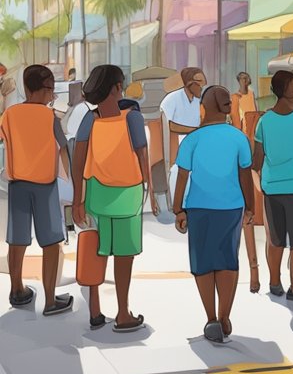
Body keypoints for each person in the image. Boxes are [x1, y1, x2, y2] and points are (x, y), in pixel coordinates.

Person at [72, 65, 158, 332]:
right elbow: (143, 157)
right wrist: (151, 193)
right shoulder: (131, 117)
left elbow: (78, 160)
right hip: (127, 194)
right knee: (124, 255)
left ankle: (96, 311)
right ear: (115, 88)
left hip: (96, 194)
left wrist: (78, 199)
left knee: (95, 249)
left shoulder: (89, 120)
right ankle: (122, 313)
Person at [172, 86, 254, 343]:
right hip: (231, 207)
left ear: (203, 109)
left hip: (198, 208)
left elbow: (183, 175)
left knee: (203, 263)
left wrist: (178, 209)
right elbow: (245, 176)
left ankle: (210, 318)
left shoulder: (192, 140)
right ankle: (225, 314)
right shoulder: (238, 138)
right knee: (228, 259)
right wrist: (250, 207)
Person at [2, 66, 74, 315]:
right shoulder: (49, 117)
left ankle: (17, 289)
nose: (52, 94)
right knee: (52, 242)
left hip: (18, 183)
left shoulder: (10, 115)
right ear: (35, 89)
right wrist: (73, 185)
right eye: (49, 89)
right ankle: (51, 300)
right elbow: (64, 150)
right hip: (45, 185)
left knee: (17, 239)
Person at [253, 70, 293, 304]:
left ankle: (274, 282)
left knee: (276, 238)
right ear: (291, 91)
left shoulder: (263, 121)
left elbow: (257, 160)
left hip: (272, 188)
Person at [230, 72, 263, 293]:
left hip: (248, 145)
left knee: (249, 220)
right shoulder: (235, 99)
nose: (244, 83)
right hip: (243, 143)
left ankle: (254, 272)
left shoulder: (251, 95)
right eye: (241, 79)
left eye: (246, 79)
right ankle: (251, 272)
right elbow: (236, 120)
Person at [158, 67, 206, 219]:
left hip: (195, 144)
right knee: (177, 173)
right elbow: (168, 125)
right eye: (199, 83)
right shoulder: (172, 99)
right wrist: (194, 130)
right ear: (188, 83)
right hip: (175, 143)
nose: (202, 86)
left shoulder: (199, 102)